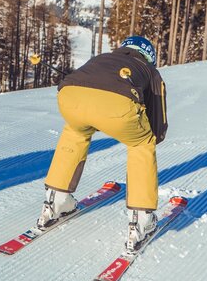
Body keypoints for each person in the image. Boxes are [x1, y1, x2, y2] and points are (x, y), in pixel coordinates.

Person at [38, 36, 167, 253]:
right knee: (142, 144)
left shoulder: (104, 57)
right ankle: (141, 221)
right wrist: (152, 135)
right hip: (118, 104)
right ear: (149, 56)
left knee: (76, 132)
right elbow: (158, 121)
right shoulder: (149, 70)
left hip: (69, 96)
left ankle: (56, 202)